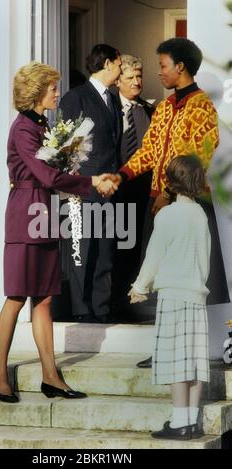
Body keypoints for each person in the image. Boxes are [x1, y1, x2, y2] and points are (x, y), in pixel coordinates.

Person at [0, 61, 117, 403]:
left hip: (44, 212)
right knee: (17, 296)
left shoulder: (40, 123)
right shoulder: (23, 128)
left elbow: (51, 172)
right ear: (36, 92)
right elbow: (46, 175)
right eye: (52, 88)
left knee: (45, 299)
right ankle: (0, 374)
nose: (57, 93)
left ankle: (51, 376)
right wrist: (90, 180)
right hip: (25, 213)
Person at [110, 37, 230, 367]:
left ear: (180, 67)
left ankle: (191, 352)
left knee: (189, 282)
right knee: (165, 281)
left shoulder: (202, 107)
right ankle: (166, 349)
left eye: (163, 66)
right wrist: (121, 175)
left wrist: (168, 194)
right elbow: (148, 152)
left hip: (188, 206)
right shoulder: (163, 108)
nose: (159, 73)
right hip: (159, 204)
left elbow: (197, 159)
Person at [128, 155, 210, 440]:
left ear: (171, 183)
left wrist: (140, 286)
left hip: (174, 297)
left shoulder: (167, 216)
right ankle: (192, 420)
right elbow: (205, 257)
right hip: (196, 298)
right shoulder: (200, 216)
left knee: (177, 361)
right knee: (195, 361)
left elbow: (154, 256)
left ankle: (179, 422)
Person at [55, 44, 123, 323]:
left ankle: (101, 308)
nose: (120, 70)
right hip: (84, 189)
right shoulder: (76, 97)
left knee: (105, 251)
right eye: (119, 64)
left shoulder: (114, 99)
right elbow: (67, 147)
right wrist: (76, 187)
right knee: (81, 249)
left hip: (109, 189)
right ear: (107, 64)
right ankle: (83, 310)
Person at [111, 54, 155, 321]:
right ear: (118, 80)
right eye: (130, 78)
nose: (137, 82)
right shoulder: (109, 109)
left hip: (141, 193)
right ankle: (114, 304)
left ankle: (133, 304)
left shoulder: (149, 110)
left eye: (139, 76)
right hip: (114, 191)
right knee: (115, 249)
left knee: (138, 247)